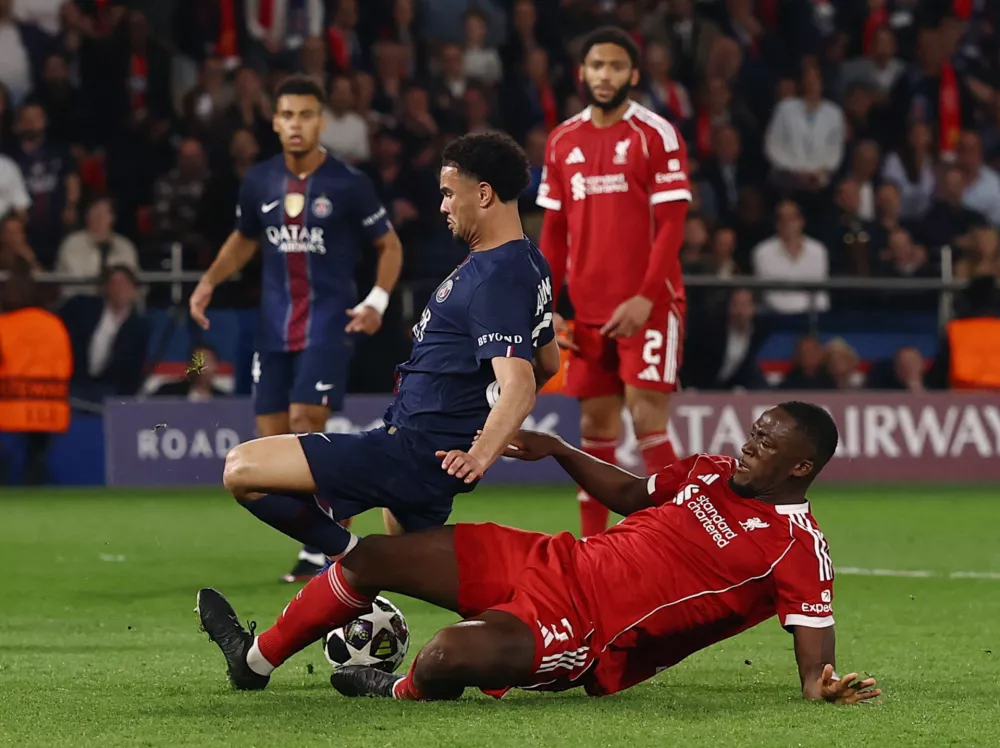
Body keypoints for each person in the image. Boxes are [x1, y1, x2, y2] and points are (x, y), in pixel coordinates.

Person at [197, 402, 880, 707]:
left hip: (585, 629)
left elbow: (813, 656)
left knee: (441, 657)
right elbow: (632, 492)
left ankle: (394, 687)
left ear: (800, 467)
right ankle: (253, 664)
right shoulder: (706, 471)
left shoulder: (798, 547)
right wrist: (558, 449)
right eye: (754, 432)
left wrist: (823, 685)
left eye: (767, 444)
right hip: (553, 560)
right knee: (374, 554)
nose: (749, 446)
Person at [202, 131, 560, 593]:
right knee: (437, 585)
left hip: (407, 453)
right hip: (426, 460)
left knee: (243, 470)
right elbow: (546, 359)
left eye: (449, 193)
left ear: (484, 193)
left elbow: (521, 382)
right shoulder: (530, 263)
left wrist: (479, 452)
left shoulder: (496, 276)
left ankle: (354, 556)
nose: (443, 206)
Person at [188, 76, 405, 582]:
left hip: (327, 323)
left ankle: (325, 545)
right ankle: (326, 537)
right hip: (273, 327)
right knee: (271, 445)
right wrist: (207, 283)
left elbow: (389, 246)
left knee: (308, 423)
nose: (296, 125)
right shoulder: (260, 180)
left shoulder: (349, 182)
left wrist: (376, 300)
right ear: (275, 121)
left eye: (306, 115)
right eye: (287, 115)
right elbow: (243, 240)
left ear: (321, 120)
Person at [535, 27, 692, 538]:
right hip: (587, 309)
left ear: (634, 74)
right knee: (595, 428)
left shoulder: (655, 134)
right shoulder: (562, 141)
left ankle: (681, 540)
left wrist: (647, 297)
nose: (606, 75)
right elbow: (554, 233)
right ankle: (594, 548)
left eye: (616, 66)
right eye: (597, 65)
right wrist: (549, 304)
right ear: (582, 73)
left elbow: (672, 224)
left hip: (648, 304)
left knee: (648, 418)